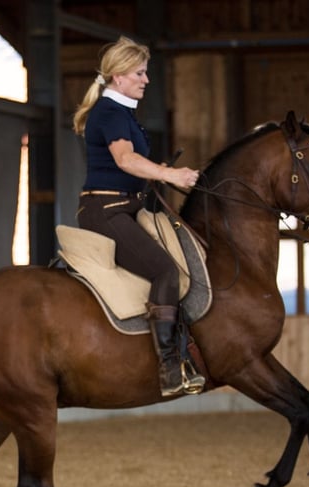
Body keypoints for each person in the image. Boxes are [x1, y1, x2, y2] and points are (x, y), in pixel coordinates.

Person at [72, 35, 204, 397]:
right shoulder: (111, 113)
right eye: (139, 73)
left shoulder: (122, 112)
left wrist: (157, 171)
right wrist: (170, 175)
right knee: (164, 270)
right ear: (117, 76)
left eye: (146, 73)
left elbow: (131, 165)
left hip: (127, 206)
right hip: (106, 211)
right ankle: (168, 367)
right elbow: (125, 160)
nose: (146, 80)